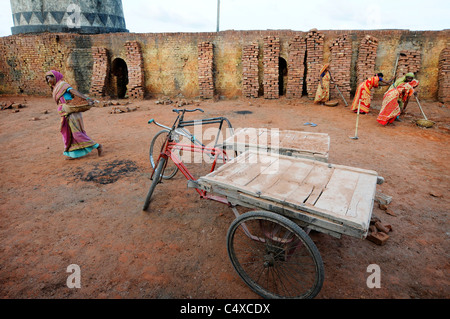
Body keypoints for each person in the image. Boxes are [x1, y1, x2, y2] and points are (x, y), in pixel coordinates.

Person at [45, 70, 103, 159]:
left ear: (54, 77)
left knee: (76, 134)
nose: (48, 81)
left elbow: (74, 91)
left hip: (72, 113)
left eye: (49, 79)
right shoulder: (56, 87)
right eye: (47, 79)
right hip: (66, 113)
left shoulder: (62, 85)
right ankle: (72, 154)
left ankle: (97, 146)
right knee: (69, 133)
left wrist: (86, 98)